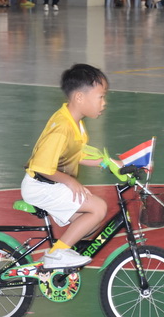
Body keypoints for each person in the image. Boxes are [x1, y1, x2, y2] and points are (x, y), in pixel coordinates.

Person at [20, 63, 111, 269]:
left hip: (49, 185)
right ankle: (56, 254)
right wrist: (70, 181)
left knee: (90, 222)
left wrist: (108, 162)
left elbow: (76, 155)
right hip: (40, 186)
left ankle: (59, 255)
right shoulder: (62, 127)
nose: (104, 103)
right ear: (79, 97)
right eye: (100, 97)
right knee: (98, 208)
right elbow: (41, 166)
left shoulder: (75, 123)